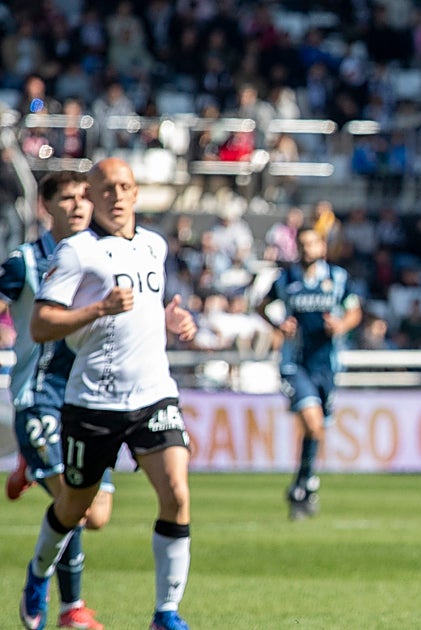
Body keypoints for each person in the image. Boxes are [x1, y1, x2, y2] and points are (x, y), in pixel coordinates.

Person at [20, 158, 198, 630]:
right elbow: (41, 324)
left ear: (136, 193)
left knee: (177, 493)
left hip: (154, 396)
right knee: (77, 508)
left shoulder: (154, 246)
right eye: (106, 188)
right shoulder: (78, 252)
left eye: (125, 186)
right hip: (93, 402)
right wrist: (98, 308)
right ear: (93, 198)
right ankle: (39, 572)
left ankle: (166, 613)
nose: (117, 195)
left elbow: (146, 312)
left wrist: (172, 319)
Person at [3, 172, 113, 630]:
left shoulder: (107, 257)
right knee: (76, 504)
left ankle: (30, 465)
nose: (78, 205)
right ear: (46, 206)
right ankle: (70, 607)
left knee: (99, 516)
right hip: (38, 396)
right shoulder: (24, 261)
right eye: (66, 198)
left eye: (84, 197)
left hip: (89, 400)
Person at [255, 226, 361, 520]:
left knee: (318, 428)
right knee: (313, 424)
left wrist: (341, 325)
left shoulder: (337, 278)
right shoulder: (286, 279)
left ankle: (303, 483)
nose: (306, 249)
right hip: (295, 364)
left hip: (326, 365)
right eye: (302, 244)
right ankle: (306, 482)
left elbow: (354, 310)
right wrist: (278, 325)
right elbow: (261, 305)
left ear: (322, 248)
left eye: (312, 243)